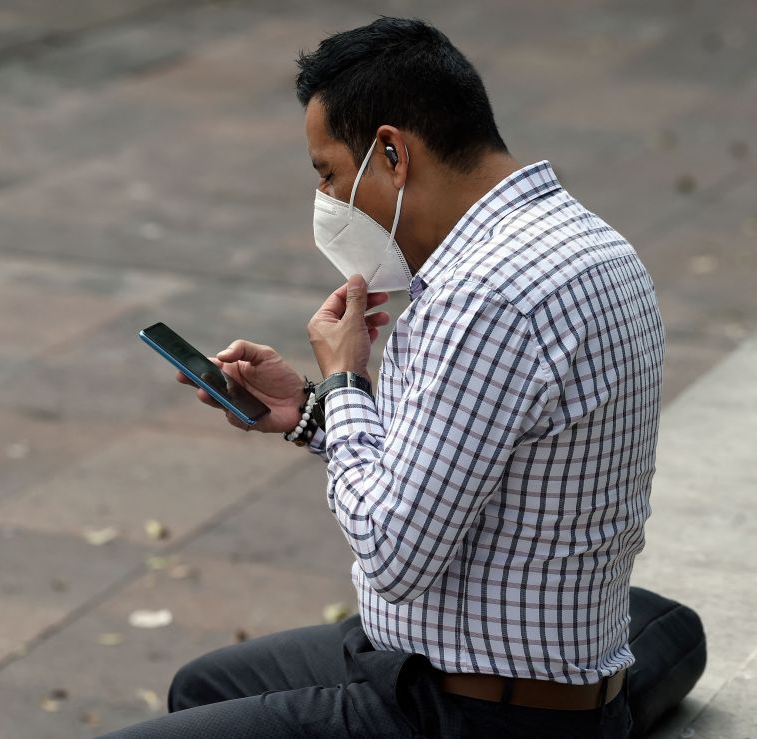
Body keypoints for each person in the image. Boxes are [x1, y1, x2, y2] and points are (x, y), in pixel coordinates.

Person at [107, 17, 668, 738]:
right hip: (471, 664)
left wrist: (344, 382)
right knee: (206, 684)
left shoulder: (487, 294)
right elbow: (453, 462)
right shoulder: (584, 241)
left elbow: (393, 549)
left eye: (330, 173)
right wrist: (310, 413)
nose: (330, 202)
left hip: (477, 709)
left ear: (393, 153)